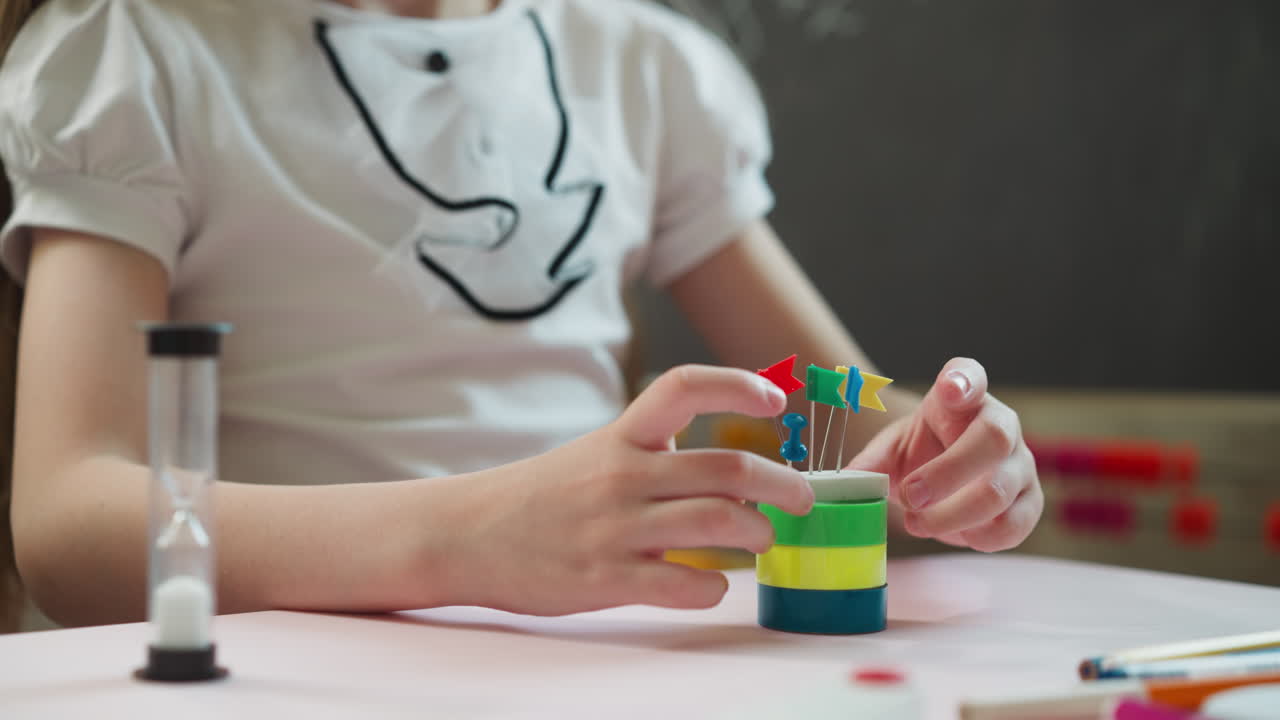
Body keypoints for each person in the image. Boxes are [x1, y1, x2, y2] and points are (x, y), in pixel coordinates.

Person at [0, 0, 1041, 629]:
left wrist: (942, 453)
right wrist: (474, 536)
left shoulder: (638, 65)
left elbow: (847, 411)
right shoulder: (140, 52)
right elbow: (67, 520)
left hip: (579, 673)